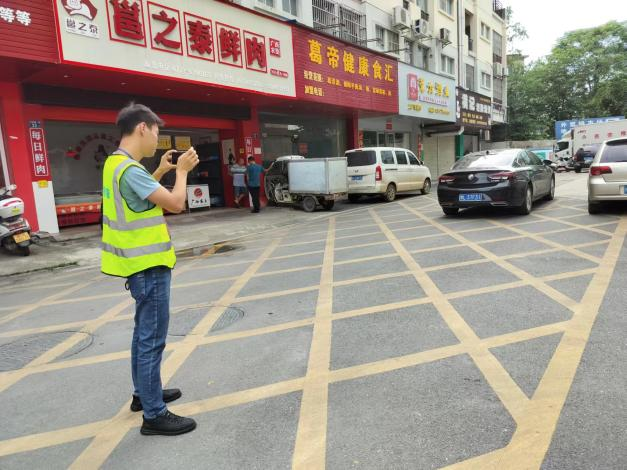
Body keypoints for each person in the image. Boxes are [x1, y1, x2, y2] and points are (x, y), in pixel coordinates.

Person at [101, 103, 199, 436]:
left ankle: (143, 394)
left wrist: (159, 171)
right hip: (149, 266)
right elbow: (175, 203)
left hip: (138, 265)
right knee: (152, 339)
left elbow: (141, 200)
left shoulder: (116, 164)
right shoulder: (130, 169)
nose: (158, 139)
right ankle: (154, 414)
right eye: (157, 132)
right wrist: (182, 173)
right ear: (142, 128)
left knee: (142, 334)